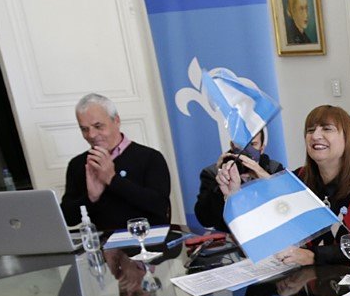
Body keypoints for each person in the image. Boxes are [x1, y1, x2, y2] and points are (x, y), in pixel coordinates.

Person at [219, 105, 350, 266]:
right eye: (310, 130)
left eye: (327, 129)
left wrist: (312, 256)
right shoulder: (298, 178)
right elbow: (269, 228)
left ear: (347, 138)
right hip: (305, 278)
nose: (315, 136)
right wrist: (234, 195)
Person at [60, 93, 171, 232]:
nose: (91, 135)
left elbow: (160, 206)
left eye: (98, 126)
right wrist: (91, 198)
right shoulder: (78, 164)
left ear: (116, 121)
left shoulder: (150, 157)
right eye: (84, 129)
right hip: (103, 242)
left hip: (147, 240)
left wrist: (112, 180)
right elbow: (68, 218)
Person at [193, 128, 285, 231]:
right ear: (232, 145)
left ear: (262, 148)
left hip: (269, 233)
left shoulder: (274, 169)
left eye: (253, 144)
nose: (246, 150)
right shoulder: (212, 172)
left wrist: (264, 176)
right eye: (241, 144)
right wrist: (220, 183)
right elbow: (206, 220)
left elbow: (287, 206)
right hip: (232, 236)